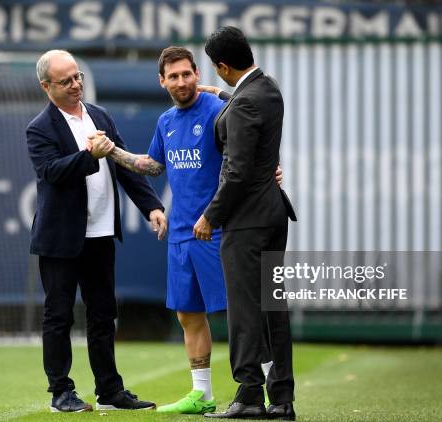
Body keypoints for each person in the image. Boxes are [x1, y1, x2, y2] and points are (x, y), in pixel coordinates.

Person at [89, 46, 282, 415]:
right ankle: (202, 394)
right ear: (162, 81)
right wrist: (113, 151)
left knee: (242, 314)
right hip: (180, 234)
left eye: (187, 74)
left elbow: (254, 142)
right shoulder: (165, 122)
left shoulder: (219, 110)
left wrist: (271, 170)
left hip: (218, 230)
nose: (181, 81)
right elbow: (152, 165)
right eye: (173, 76)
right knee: (188, 315)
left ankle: (273, 389)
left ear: (197, 73)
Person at [26, 49, 166, 413]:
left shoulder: (100, 115)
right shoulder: (40, 128)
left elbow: (126, 168)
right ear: (46, 86)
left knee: (103, 315)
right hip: (60, 239)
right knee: (59, 316)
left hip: (101, 234)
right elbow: (51, 172)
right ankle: (61, 393)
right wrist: (90, 156)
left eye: (78, 77)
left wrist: (151, 206)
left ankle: (110, 391)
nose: (76, 85)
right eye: (66, 81)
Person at [193, 27, 297, 420]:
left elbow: (234, 173)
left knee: (244, 309)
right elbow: (245, 105)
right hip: (273, 215)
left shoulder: (243, 105)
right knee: (273, 307)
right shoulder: (268, 89)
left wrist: (209, 216)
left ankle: (249, 394)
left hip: (246, 222)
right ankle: (282, 398)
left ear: (222, 66)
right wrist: (221, 95)